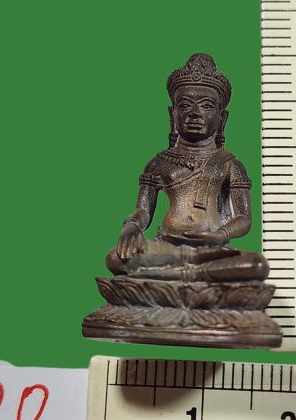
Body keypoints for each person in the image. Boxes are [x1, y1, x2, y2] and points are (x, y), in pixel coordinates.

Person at [105, 53, 269, 283]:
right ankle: (192, 274)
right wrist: (131, 228)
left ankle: (173, 275)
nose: (194, 113)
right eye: (184, 106)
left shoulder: (230, 164)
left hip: (211, 249)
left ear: (222, 119)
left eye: (206, 106)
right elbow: (143, 210)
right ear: (172, 115)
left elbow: (243, 218)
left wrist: (221, 235)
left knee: (256, 265)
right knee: (115, 257)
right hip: (166, 246)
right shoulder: (159, 162)